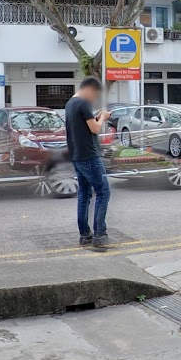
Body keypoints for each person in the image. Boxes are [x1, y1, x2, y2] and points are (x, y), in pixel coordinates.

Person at [64, 79, 110, 249]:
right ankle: (100, 235)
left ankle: (85, 235)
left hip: (77, 155)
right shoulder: (83, 103)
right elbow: (95, 129)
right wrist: (103, 117)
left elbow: (85, 126)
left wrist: (96, 118)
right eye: (95, 94)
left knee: (84, 194)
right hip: (90, 156)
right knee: (103, 192)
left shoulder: (70, 103)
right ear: (90, 89)